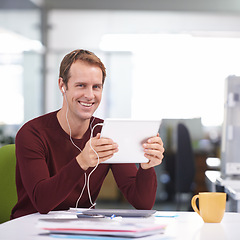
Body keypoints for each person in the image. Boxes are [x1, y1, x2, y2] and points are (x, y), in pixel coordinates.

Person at [11, 49, 165, 219]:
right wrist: (82, 161)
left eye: (96, 87)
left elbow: (142, 203)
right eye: (81, 85)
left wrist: (147, 166)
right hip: (31, 227)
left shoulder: (105, 132)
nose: (90, 95)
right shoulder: (32, 134)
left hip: (80, 228)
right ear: (62, 85)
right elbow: (42, 202)